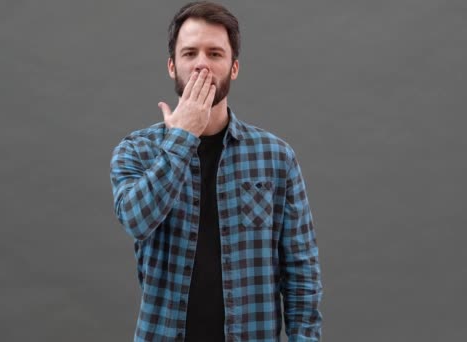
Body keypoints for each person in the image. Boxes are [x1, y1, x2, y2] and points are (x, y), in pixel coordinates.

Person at [109, 2, 323, 341]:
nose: (201, 65)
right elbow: (137, 220)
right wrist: (182, 138)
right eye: (190, 53)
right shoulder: (137, 150)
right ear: (171, 66)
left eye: (215, 54)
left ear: (234, 67)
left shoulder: (276, 157)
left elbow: (301, 273)